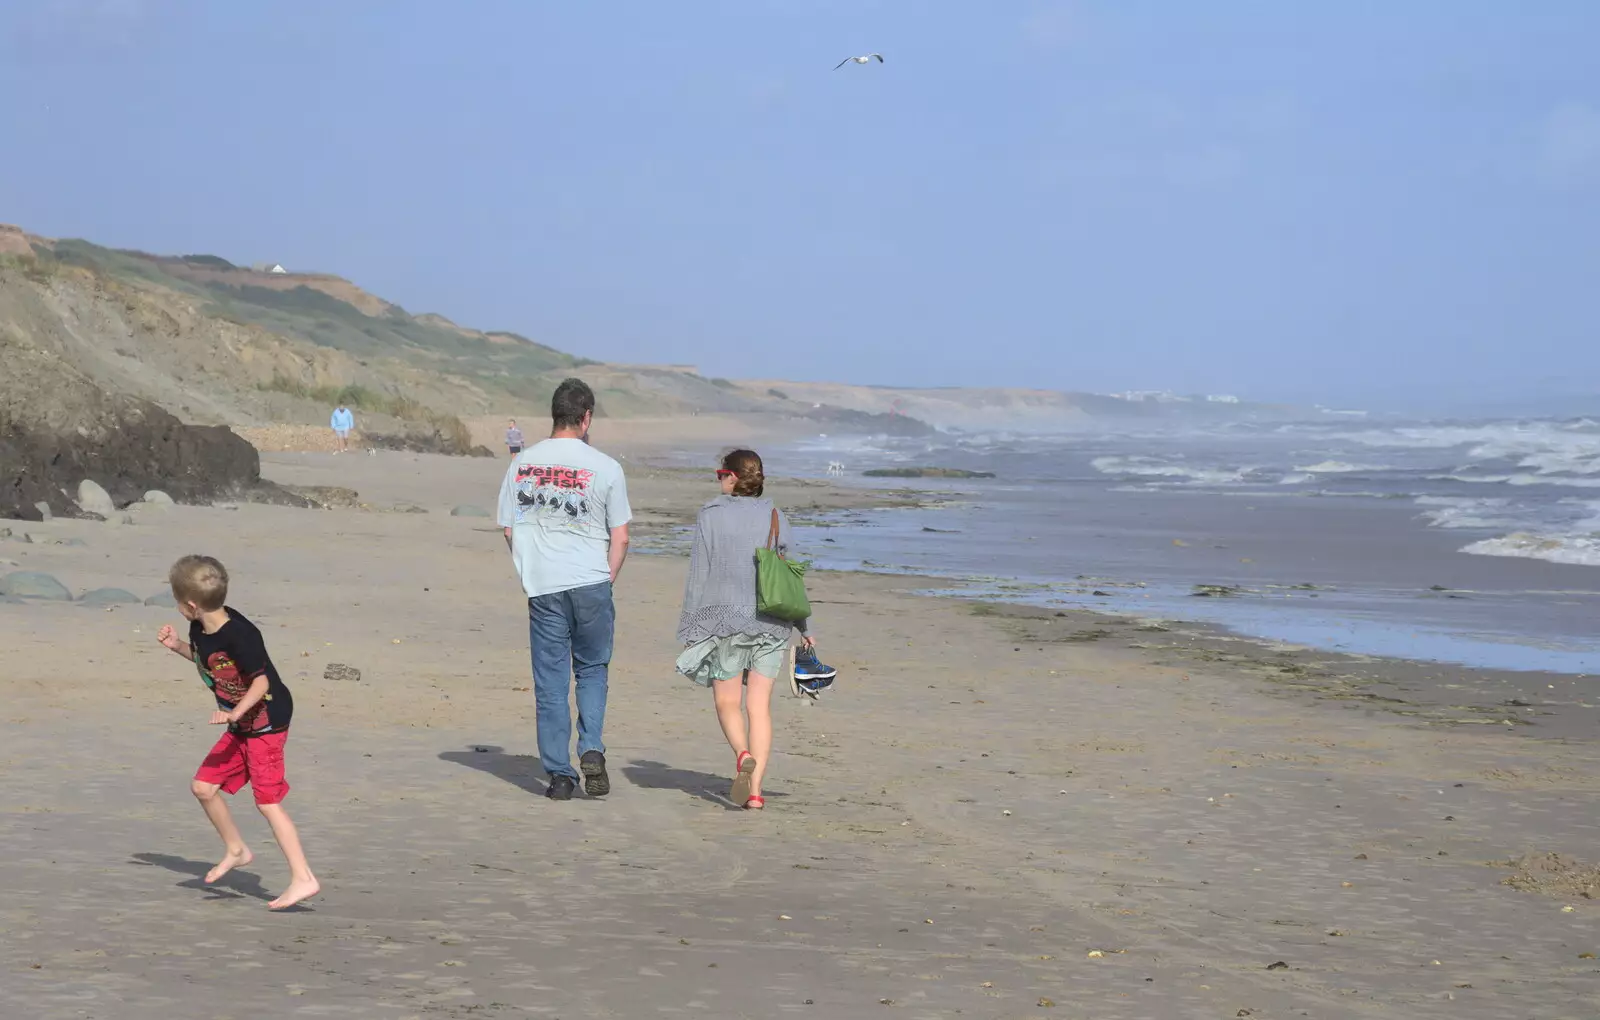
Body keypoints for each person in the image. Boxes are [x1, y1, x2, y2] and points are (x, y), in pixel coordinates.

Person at [156, 555, 320, 910]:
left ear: (190, 605)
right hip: (242, 721)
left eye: (176, 601)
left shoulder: (241, 634)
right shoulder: (200, 629)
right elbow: (211, 665)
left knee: (268, 802)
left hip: (265, 721)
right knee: (203, 787)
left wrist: (235, 712)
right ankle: (237, 849)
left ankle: (303, 878)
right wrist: (177, 648)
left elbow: (260, 681)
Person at [675, 449, 835, 810]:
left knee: (726, 702)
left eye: (720, 472)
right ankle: (756, 793)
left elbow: (699, 572)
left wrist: (691, 625)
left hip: (724, 621)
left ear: (731, 476)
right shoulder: (775, 514)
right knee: (759, 707)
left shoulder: (710, 514)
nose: (718, 479)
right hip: (771, 622)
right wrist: (804, 626)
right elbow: (790, 575)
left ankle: (742, 753)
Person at [497, 379, 631, 801]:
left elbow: (508, 527)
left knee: (551, 682)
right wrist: (605, 578)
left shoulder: (523, 463)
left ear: (554, 415)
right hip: (591, 580)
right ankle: (590, 746)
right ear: (586, 417)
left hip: (545, 585)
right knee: (592, 670)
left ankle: (560, 775)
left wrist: (531, 565)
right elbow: (621, 536)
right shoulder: (606, 467)